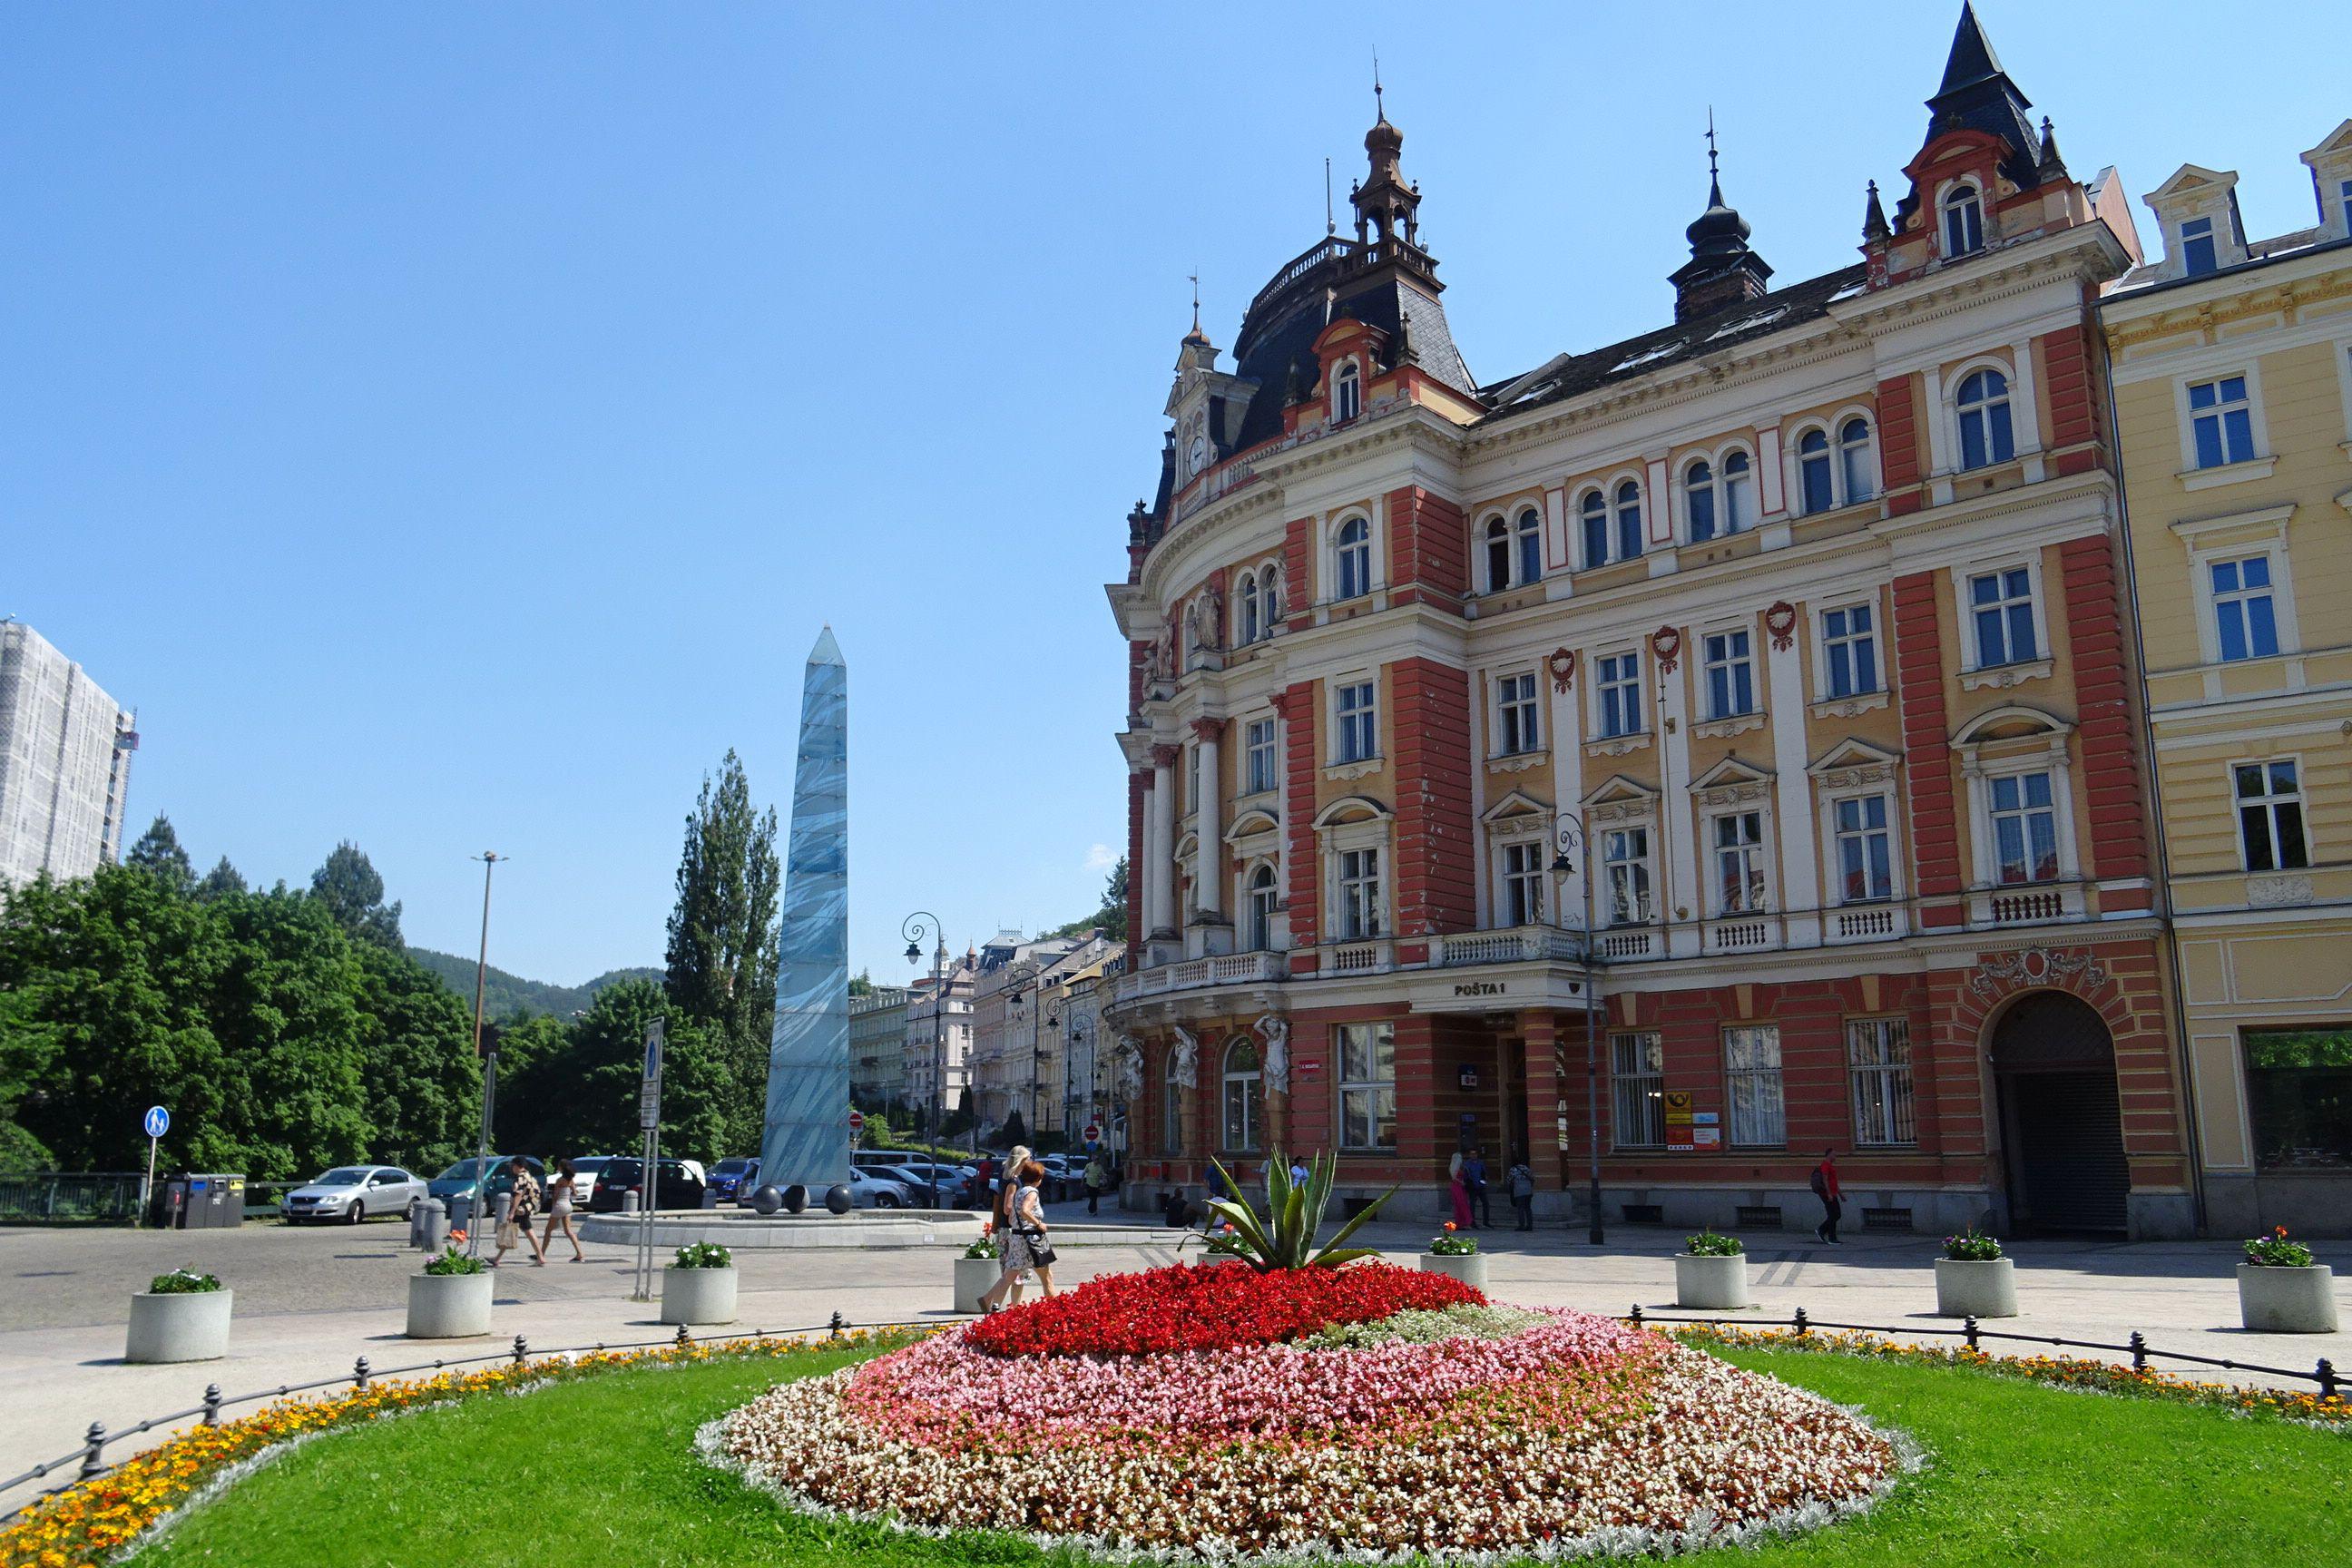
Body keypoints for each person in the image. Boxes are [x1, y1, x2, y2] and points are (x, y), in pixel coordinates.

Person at [1005, 1161, 1058, 1298]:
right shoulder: (1032, 1192)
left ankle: (1009, 1308)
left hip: (1018, 1239)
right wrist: (1038, 1223)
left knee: (1014, 1277)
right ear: (1038, 1179)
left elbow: (1012, 1217)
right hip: (1032, 1241)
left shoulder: (1020, 1191)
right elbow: (1025, 1211)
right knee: (1046, 1277)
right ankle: (1056, 1309)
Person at [491, 1158, 544, 1268]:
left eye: (512, 1166)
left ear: (517, 1166)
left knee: (515, 1231)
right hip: (527, 1208)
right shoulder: (529, 1176)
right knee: (519, 1231)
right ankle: (497, 1258)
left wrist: (511, 1212)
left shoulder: (519, 1178)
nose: (512, 1168)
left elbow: (518, 1195)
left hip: (520, 1209)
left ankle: (540, 1257)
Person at [540, 1157, 585, 1263]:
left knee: (548, 1231)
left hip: (559, 1205)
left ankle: (541, 1253)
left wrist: (553, 1207)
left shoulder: (559, 1180)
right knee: (568, 1231)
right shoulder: (570, 1180)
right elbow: (575, 1193)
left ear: (562, 1168)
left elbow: (555, 1195)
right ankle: (579, 1253)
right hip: (568, 1205)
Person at [1811, 1148, 1844, 1245]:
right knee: (1833, 1215)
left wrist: (1841, 1194)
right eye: (1834, 1155)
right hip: (1827, 1195)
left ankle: (1823, 1230)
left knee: (1836, 1215)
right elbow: (1825, 1180)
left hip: (1832, 1193)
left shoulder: (1830, 1166)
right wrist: (1829, 1193)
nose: (1835, 1157)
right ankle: (1831, 1238)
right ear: (1829, 1155)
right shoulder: (1825, 1165)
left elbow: (1833, 1182)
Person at [1464, 1146, 1493, 1228]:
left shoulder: (1481, 1162)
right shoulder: (1467, 1164)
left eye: (1475, 1154)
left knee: (1486, 1204)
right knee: (1472, 1205)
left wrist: (1485, 1181)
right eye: (1472, 1154)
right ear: (1469, 1155)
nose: (1473, 1155)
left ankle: (1486, 1221)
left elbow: (1484, 1173)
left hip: (1481, 1185)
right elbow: (1466, 1175)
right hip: (1472, 1186)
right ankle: (1472, 1222)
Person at [1507, 1151, 1535, 1232]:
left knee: (1520, 1209)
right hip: (1528, 1191)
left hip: (1519, 1191)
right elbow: (1532, 1178)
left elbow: (1509, 1180)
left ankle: (1521, 1225)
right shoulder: (1526, 1168)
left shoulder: (1513, 1170)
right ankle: (1530, 1225)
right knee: (1528, 1209)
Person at [1446, 1148, 1475, 1230]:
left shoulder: (1452, 1167)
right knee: (1463, 1204)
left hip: (1455, 1187)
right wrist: (1462, 1182)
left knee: (1458, 1205)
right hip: (1458, 1187)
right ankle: (1467, 1222)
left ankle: (1460, 1223)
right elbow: (1455, 1178)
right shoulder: (1458, 1168)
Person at [1083, 1150, 1109, 1215]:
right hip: (1089, 1184)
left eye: (1097, 1159)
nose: (1096, 1161)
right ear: (1093, 1159)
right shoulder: (1089, 1165)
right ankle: (1092, 1210)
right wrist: (1082, 1181)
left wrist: (1104, 1180)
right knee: (1092, 1198)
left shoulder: (1099, 1167)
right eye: (1095, 1159)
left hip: (1096, 1185)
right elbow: (1084, 1173)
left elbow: (1102, 1174)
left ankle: (1093, 1210)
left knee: (1094, 1198)